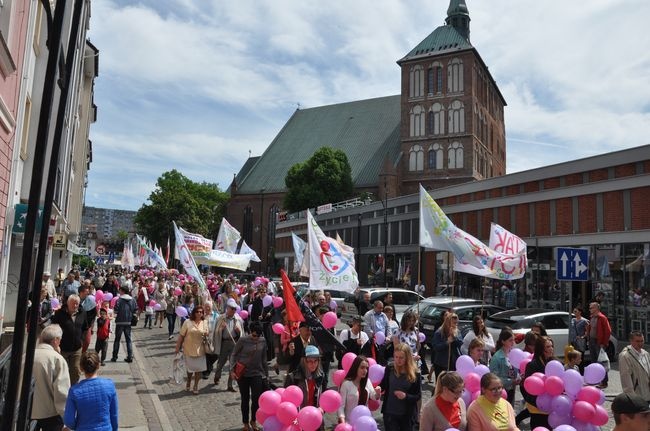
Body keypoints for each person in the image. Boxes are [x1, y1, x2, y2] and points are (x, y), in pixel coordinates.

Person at [63, 351, 118, 431]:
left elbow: (69, 420)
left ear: (81, 368)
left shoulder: (74, 391)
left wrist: (77, 427)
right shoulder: (109, 385)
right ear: (98, 365)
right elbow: (114, 415)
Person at [231, 321, 269, 431]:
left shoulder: (262, 341)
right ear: (250, 332)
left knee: (256, 398)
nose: (256, 338)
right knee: (245, 398)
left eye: (258, 336)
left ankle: (253, 421)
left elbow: (264, 359)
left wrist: (266, 375)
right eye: (254, 335)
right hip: (243, 374)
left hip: (257, 373)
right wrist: (232, 370)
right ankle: (245, 423)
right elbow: (234, 354)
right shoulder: (243, 340)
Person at [32, 324, 70, 431]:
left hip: (27, 411)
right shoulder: (57, 359)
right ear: (56, 340)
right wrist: (66, 418)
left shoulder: (26, 356)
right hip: (50, 414)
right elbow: (61, 392)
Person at [380, 343, 421, 431]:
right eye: (396, 357)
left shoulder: (415, 373)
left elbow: (418, 395)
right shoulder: (390, 368)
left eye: (401, 358)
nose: (398, 360)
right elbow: (383, 385)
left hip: (406, 415)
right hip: (390, 413)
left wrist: (406, 396)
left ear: (407, 358)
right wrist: (378, 389)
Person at [50, 294, 87, 384]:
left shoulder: (83, 313)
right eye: (72, 303)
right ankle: (64, 388)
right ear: (67, 303)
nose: (75, 306)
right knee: (63, 370)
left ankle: (73, 389)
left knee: (75, 370)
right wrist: (56, 344)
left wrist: (81, 340)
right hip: (63, 348)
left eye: (76, 304)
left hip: (76, 348)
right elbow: (53, 329)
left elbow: (85, 328)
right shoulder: (59, 314)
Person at [520, 336, 555, 429]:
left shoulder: (554, 363)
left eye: (552, 346)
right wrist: (540, 403)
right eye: (548, 347)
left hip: (551, 408)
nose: (551, 349)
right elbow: (527, 388)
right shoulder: (532, 365)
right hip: (537, 409)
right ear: (541, 349)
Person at [337, 355, 381, 424]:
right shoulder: (346, 384)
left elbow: (374, 396)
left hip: (364, 422)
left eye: (366, 368)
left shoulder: (367, 381)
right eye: (362, 368)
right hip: (349, 423)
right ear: (355, 368)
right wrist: (343, 422)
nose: (365, 371)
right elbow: (341, 406)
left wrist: (378, 393)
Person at [175, 306, 208, 394]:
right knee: (190, 369)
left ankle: (196, 385)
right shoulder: (187, 322)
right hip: (189, 349)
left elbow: (207, 333)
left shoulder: (205, 322)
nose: (199, 313)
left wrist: (206, 334)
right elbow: (181, 335)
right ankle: (189, 381)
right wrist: (178, 347)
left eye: (201, 312)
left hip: (200, 349)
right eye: (197, 312)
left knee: (198, 369)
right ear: (194, 313)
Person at [213, 298, 244, 390]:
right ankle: (217, 376)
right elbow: (215, 332)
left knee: (233, 364)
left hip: (234, 343)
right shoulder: (221, 318)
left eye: (235, 309)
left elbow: (242, 333)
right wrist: (221, 329)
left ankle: (230, 385)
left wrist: (238, 332)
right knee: (221, 363)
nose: (234, 311)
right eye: (232, 309)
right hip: (224, 343)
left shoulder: (238, 319)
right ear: (228, 308)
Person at [489, 327, 520, 406]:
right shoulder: (497, 357)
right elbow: (494, 378)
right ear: (503, 341)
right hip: (501, 391)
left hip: (511, 389)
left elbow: (516, 369)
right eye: (510, 340)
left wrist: (519, 376)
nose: (513, 342)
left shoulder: (514, 354)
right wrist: (511, 381)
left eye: (513, 340)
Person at [618, 331, 650, 403]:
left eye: (642, 341)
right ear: (631, 341)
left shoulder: (645, 354)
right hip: (636, 395)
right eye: (637, 341)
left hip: (647, 393)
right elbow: (625, 377)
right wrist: (631, 397)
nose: (640, 343)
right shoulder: (625, 356)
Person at [587, 301, 612, 388]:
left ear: (596, 308)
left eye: (591, 308)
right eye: (590, 308)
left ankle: (604, 382)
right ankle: (596, 380)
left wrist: (603, 343)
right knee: (594, 362)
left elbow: (608, 331)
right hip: (592, 341)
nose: (590, 309)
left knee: (601, 363)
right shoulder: (592, 317)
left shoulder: (602, 318)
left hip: (599, 342)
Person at [431, 313, 463, 378]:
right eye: (454, 323)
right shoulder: (439, 332)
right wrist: (447, 342)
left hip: (453, 362)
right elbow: (436, 347)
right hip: (441, 363)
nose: (456, 325)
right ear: (448, 322)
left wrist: (454, 336)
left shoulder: (457, 331)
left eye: (457, 323)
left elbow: (460, 343)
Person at [111, 285, 136, 363]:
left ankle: (114, 357)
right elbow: (135, 309)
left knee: (117, 340)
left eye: (120, 290)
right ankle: (130, 356)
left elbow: (115, 311)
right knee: (128, 339)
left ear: (123, 291)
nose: (119, 292)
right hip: (128, 321)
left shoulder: (119, 300)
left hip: (119, 322)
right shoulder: (133, 300)